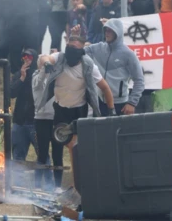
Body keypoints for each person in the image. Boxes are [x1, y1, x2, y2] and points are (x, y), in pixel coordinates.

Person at [33, 35, 115, 187]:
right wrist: (46, 63)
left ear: (82, 51)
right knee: (57, 146)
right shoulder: (60, 59)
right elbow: (44, 58)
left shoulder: (88, 66)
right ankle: (57, 187)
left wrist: (112, 110)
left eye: (75, 49)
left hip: (79, 110)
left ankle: (81, 183)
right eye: (68, 47)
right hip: (61, 109)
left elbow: (105, 88)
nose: (70, 52)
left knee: (78, 148)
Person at [79, 19, 145, 116]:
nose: (107, 33)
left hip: (120, 104)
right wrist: (75, 36)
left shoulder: (128, 54)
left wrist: (132, 103)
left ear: (117, 32)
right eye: (105, 30)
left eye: (110, 31)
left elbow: (139, 80)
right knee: (99, 131)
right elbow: (77, 52)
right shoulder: (97, 48)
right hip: (100, 102)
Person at [1, 0, 49, 70]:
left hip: (31, 19)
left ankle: (31, 71)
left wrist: (40, 7)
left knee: (32, 47)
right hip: (14, 20)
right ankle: (15, 72)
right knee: (15, 48)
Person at [11, 49, 39, 162]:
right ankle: (18, 180)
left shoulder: (39, 75)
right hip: (19, 121)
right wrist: (22, 78)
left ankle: (47, 179)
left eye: (29, 57)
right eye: (24, 57)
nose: (26, 59)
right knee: (18, 157)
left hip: (35, 121)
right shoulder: (18, 74)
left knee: (42, 155)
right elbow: (11, 93)